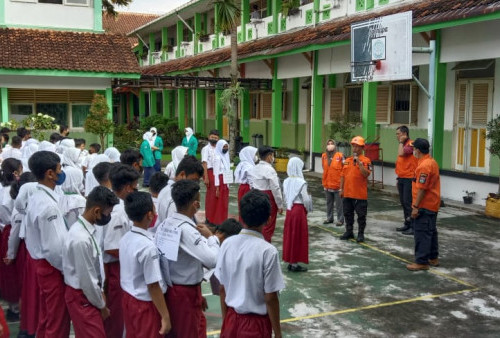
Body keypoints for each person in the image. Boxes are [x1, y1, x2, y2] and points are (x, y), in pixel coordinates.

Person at [215, 189, 284, 338]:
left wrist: (226, 319)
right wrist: (278, 333)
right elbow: (270, 297)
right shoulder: (268, 251)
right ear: (269, 219)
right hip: (256, 325)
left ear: (241, 217)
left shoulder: (227, 244)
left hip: (231, 317)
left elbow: (222, 288)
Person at [155, 179, 219, 338]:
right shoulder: (187, 230)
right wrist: (212, 238)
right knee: (188, 332)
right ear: (195, 204)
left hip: (171, 287)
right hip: (185, 292)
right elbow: (213, 260)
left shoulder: (166, 223)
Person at [63, 186, 119, 337]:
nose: (109, 216)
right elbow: (87, 279)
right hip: (83, 296)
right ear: (96, 211)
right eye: (108, 212)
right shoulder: (80, 239)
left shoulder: (88, 230)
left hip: (91, 295)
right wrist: (101, 306)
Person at [25, 151, 70, 337]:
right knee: (57, 320)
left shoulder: (38, 197)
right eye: (60, 168)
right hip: (52, 267)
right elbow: (54, 248)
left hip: (42, 264)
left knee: (47, 315)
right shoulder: (47, 205)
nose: (62, 172)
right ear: (50, 173)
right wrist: (67, 270)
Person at [121, 191, 171, 337]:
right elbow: (153, 285)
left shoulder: (126, 238)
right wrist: (165, 316)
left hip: (129, 298)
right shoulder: (147, 247)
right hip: (145, 305)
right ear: (149, 215)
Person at [102, 164, 140, 338]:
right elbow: (111, 247)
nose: (136, 190)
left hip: (119, 266)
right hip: (115, 268)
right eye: (134, 187)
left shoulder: (117, 205)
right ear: (126, 187)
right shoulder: (117, 212)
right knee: (117, 316)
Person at [4, 172, 36, 336]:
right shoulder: (20, 210)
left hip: (30, 249)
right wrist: (11, 254)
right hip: (26, 249)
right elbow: (14, 235)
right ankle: (26, 325)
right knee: (27, 288)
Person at [406, 138, 441, 271]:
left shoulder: (424, 165)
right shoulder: (430, 162)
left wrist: (415, 207)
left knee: (422, 233)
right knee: (431, 232)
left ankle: (422, 261)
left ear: (418, 150)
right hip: (432, 204)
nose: (412, 150)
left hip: (424, 205)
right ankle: (433, 257)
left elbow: (422, 188)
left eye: (414, 148)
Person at [11, 179, 39, 337]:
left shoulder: (29, 211)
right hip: (33, 255)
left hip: (30, 254)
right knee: (30, 292)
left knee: (28, 292)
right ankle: (29, 326)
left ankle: (28, 326)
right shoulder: (29, 212)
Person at [0, 158, 23, 321]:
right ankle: (17, 306)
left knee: (6, 271)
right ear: (16, 172)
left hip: (4, 230)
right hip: (13, 231)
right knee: (14, 270)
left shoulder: (2, 188)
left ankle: (12, 306)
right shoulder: (15, 191)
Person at [247, 146, 283, 242]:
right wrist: (279, 204)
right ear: (269, 156)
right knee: (268, 225)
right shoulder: (270, 170)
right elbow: (275, 188)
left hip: (255, 196)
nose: (273, 158)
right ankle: (265, 245)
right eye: (272, 155)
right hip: (268, 198)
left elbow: (251, 183)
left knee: (257, 223)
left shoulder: (255, 168)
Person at [340, 136, 372, 243]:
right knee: (347, 214)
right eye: (353, 146)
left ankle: (360, 234)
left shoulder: (366, 160)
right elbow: (342, 176)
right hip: (348, 193)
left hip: (360, 194)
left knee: (361, 216)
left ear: (362, 148)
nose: (355, 149)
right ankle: (349, 231)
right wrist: (341, 189)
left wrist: (359, 163)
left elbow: (366, 174)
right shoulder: (347, 160)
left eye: (357, 147)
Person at [282, 157, 312, 272]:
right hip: (299, 210)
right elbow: (306, 199)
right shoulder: (301, 182)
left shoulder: (286, 181)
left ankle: (290, 260)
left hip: (290, 210)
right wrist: (308, 209)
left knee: (290, 235)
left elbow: (285, 197)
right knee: (298, 236)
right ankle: (294, 263)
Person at [157, 155, 204, 223]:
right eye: (194, 180)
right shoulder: (176, 199)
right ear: (182, 175)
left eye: (197, 182)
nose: (195, 185)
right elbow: (175, 226)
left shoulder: (166, 188)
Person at [395, 126, 418, 235]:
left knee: (408, 202)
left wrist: (401, 142)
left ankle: (413, 226)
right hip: (402, 177)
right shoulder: (404, 144)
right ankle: (407, 223)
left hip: (409, 178)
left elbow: (401, 153)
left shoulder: (411, 144)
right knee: (403, 202)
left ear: (404, 134)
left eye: (398, 134)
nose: (397, 136)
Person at [321, 139, 344, 226]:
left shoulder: (340, 156)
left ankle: (340, 220)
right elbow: (324, 167)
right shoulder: (324, 156)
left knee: (339, 204)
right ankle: (329, 218)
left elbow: (344, 170)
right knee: (329, 203)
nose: (330, 145)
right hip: (327, 184)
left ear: (335, 145)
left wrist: (342, 186)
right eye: (328, 144)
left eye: (332, 143)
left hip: (337, 185)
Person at [234, 146, 258, 222]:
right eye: (254, 154)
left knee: (242, 207)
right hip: (248, 188)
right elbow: (251, 180)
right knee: (248, 207)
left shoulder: (242, 164)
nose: (256, 156)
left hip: (242, 187)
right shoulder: (249, 166)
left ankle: (242, 223)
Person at [201, 129, 219, 223]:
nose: (214, 139)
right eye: (212, 137)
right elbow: (204, 163)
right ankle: (209, 217)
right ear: (209, 137)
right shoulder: (206, 149)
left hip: (218, 172)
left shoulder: (219, 148)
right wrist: (206, 177)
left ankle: (216, 216)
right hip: (209, 172)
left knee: (217, 195)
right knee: (211, 195)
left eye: (216, 138)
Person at [213, 139, 230, 224]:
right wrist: (217, 187)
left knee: (225, 202)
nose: (226, 148)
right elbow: (215, 173)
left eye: (227, 146)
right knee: (220, 203)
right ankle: (219, 222)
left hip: (226, 181)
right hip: (220, 181)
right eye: (224, 146)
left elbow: (228, 170)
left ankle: (224, 220)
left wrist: (228, 183)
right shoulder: (217, 157)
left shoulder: (226, 156)